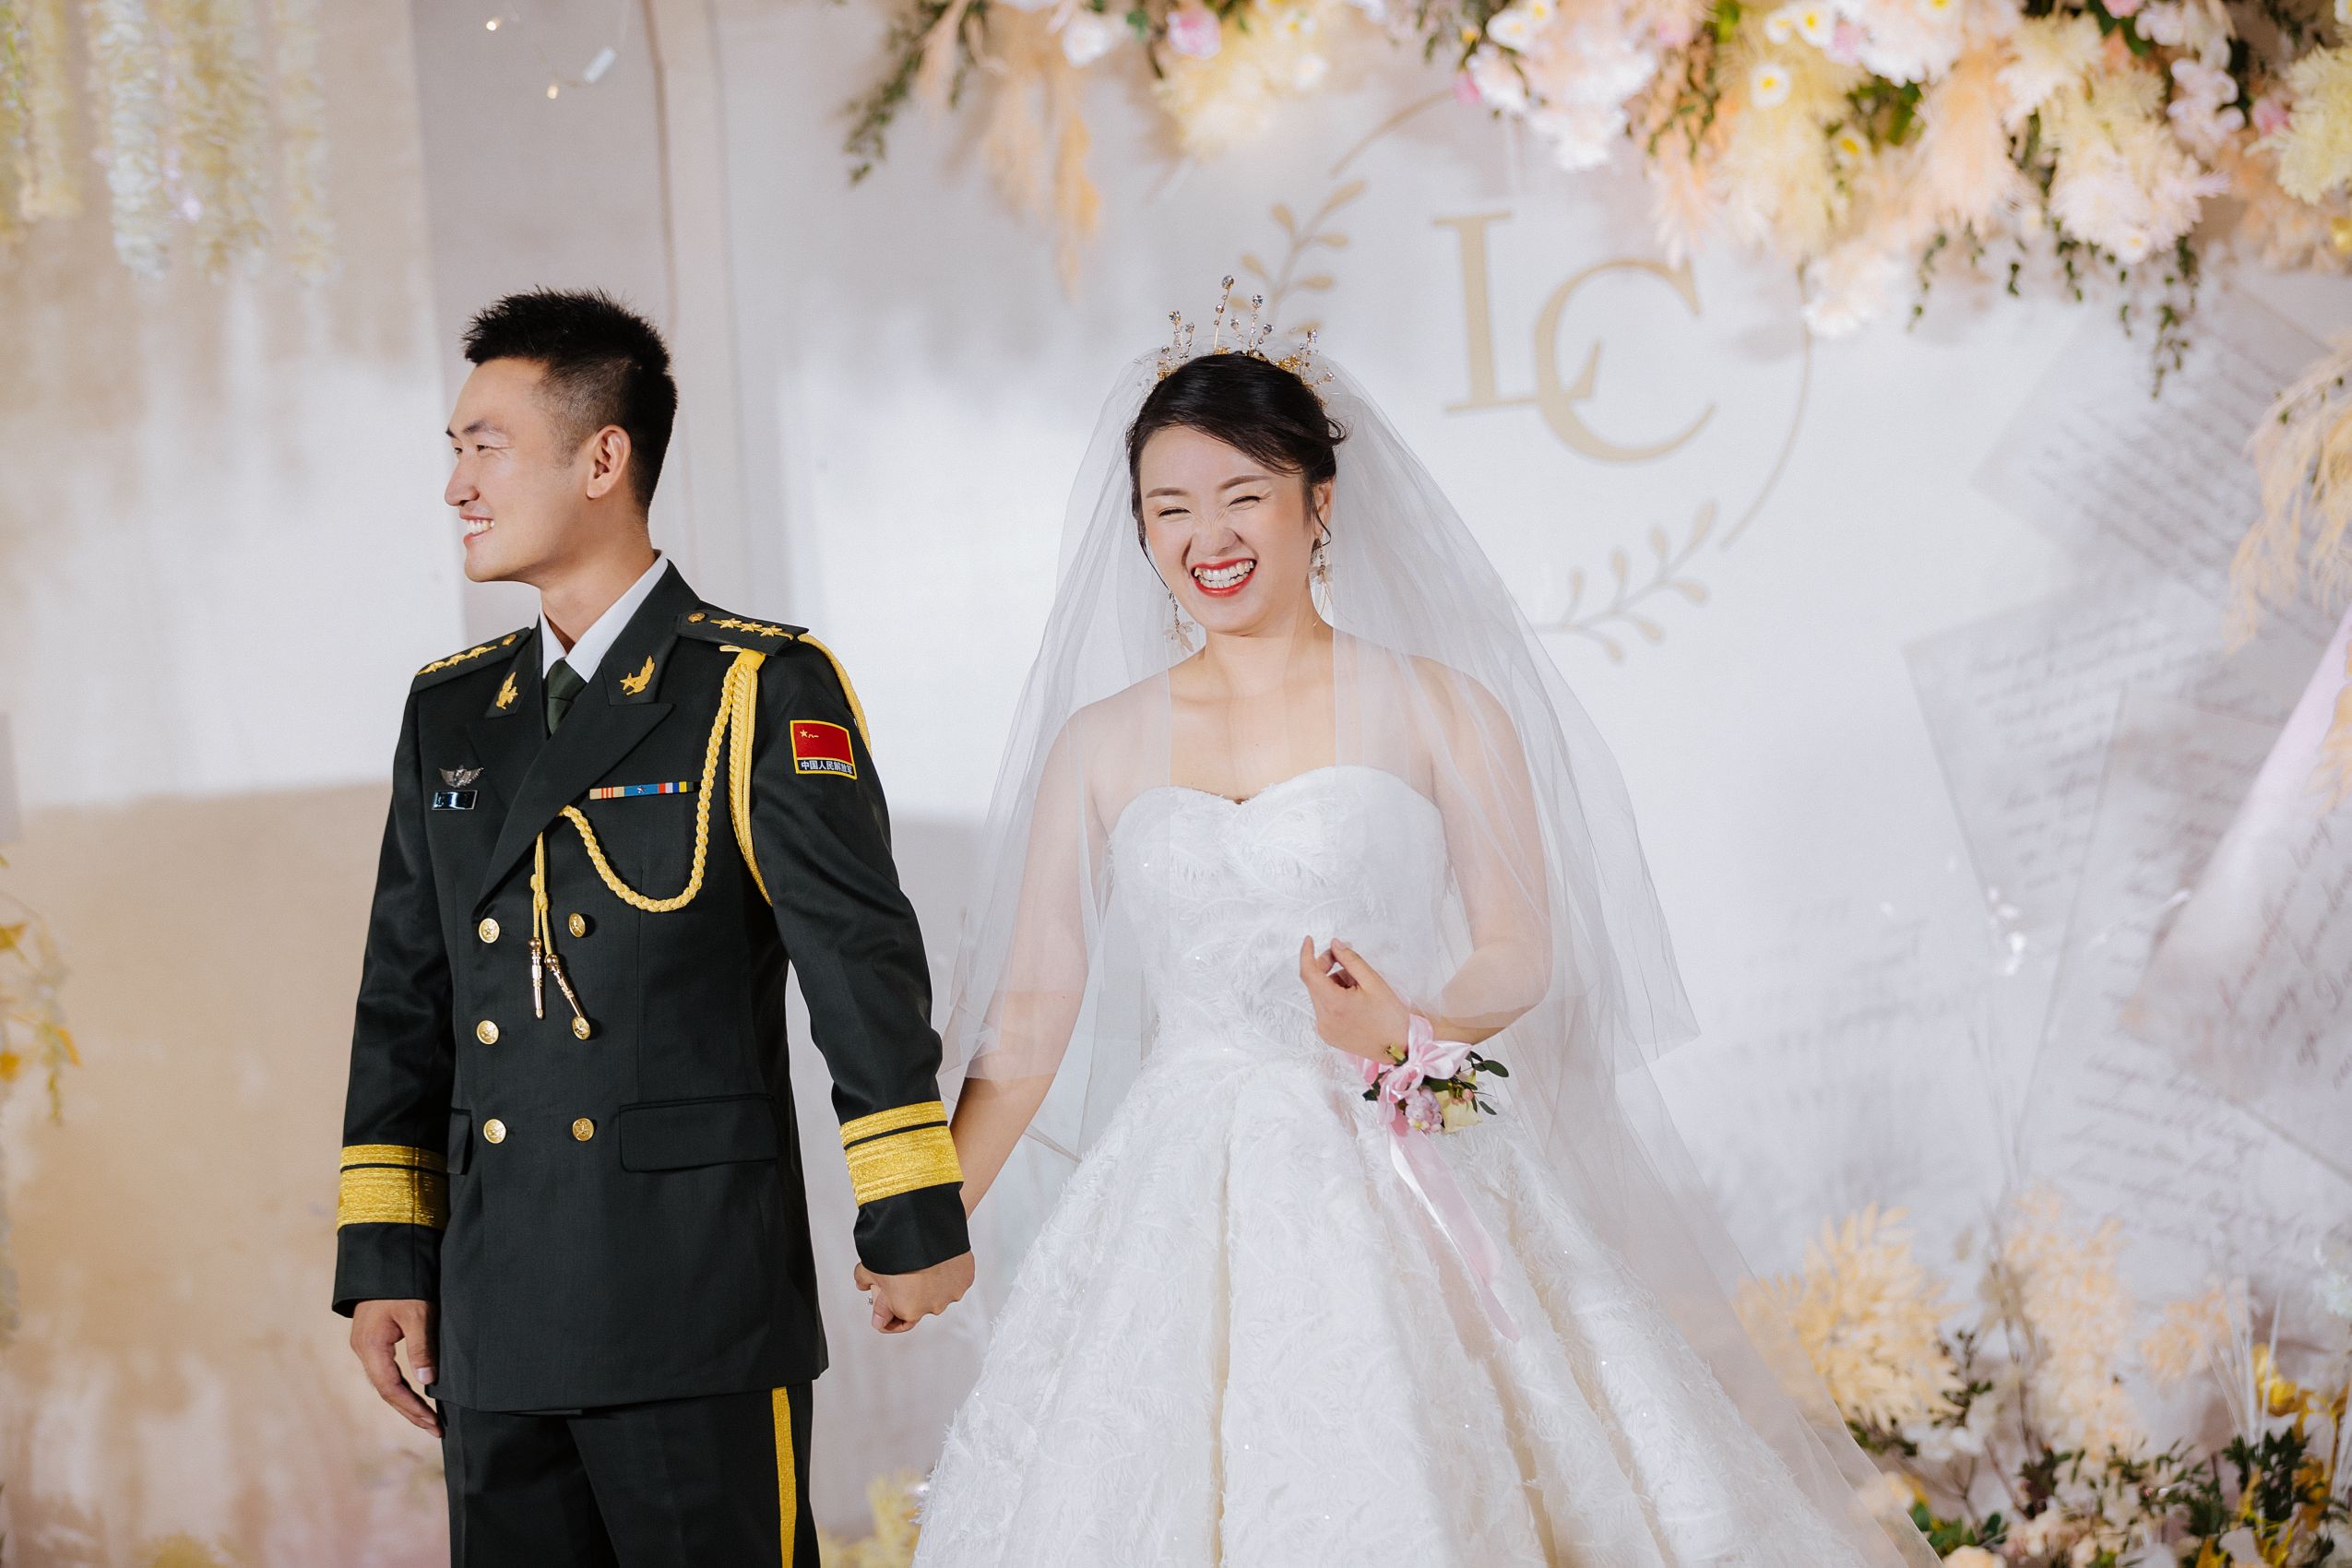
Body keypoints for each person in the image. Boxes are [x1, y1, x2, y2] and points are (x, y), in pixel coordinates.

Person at [910, 293, 1943, 1567]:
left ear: (1318, 502)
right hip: (1178, 1183)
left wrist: (1410, 1025)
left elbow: (1520, 946)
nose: (1205, 537)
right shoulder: (1101, 742)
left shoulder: (1438, 706)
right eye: (1168, 508)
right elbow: (1030, 1015)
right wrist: (927, 1218)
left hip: (1397, 1147)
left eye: (1242, 496)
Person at [331, 287, 972, 1567]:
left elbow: (860, 969)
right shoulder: (450, 711)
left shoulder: (754, 685)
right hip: (496, 1298)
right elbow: (406, 995)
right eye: (453, 451)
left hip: (692, 1298)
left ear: (602, 459)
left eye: (486, 447)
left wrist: (912, 1213)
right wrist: (388, 1254)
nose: (456, 486)